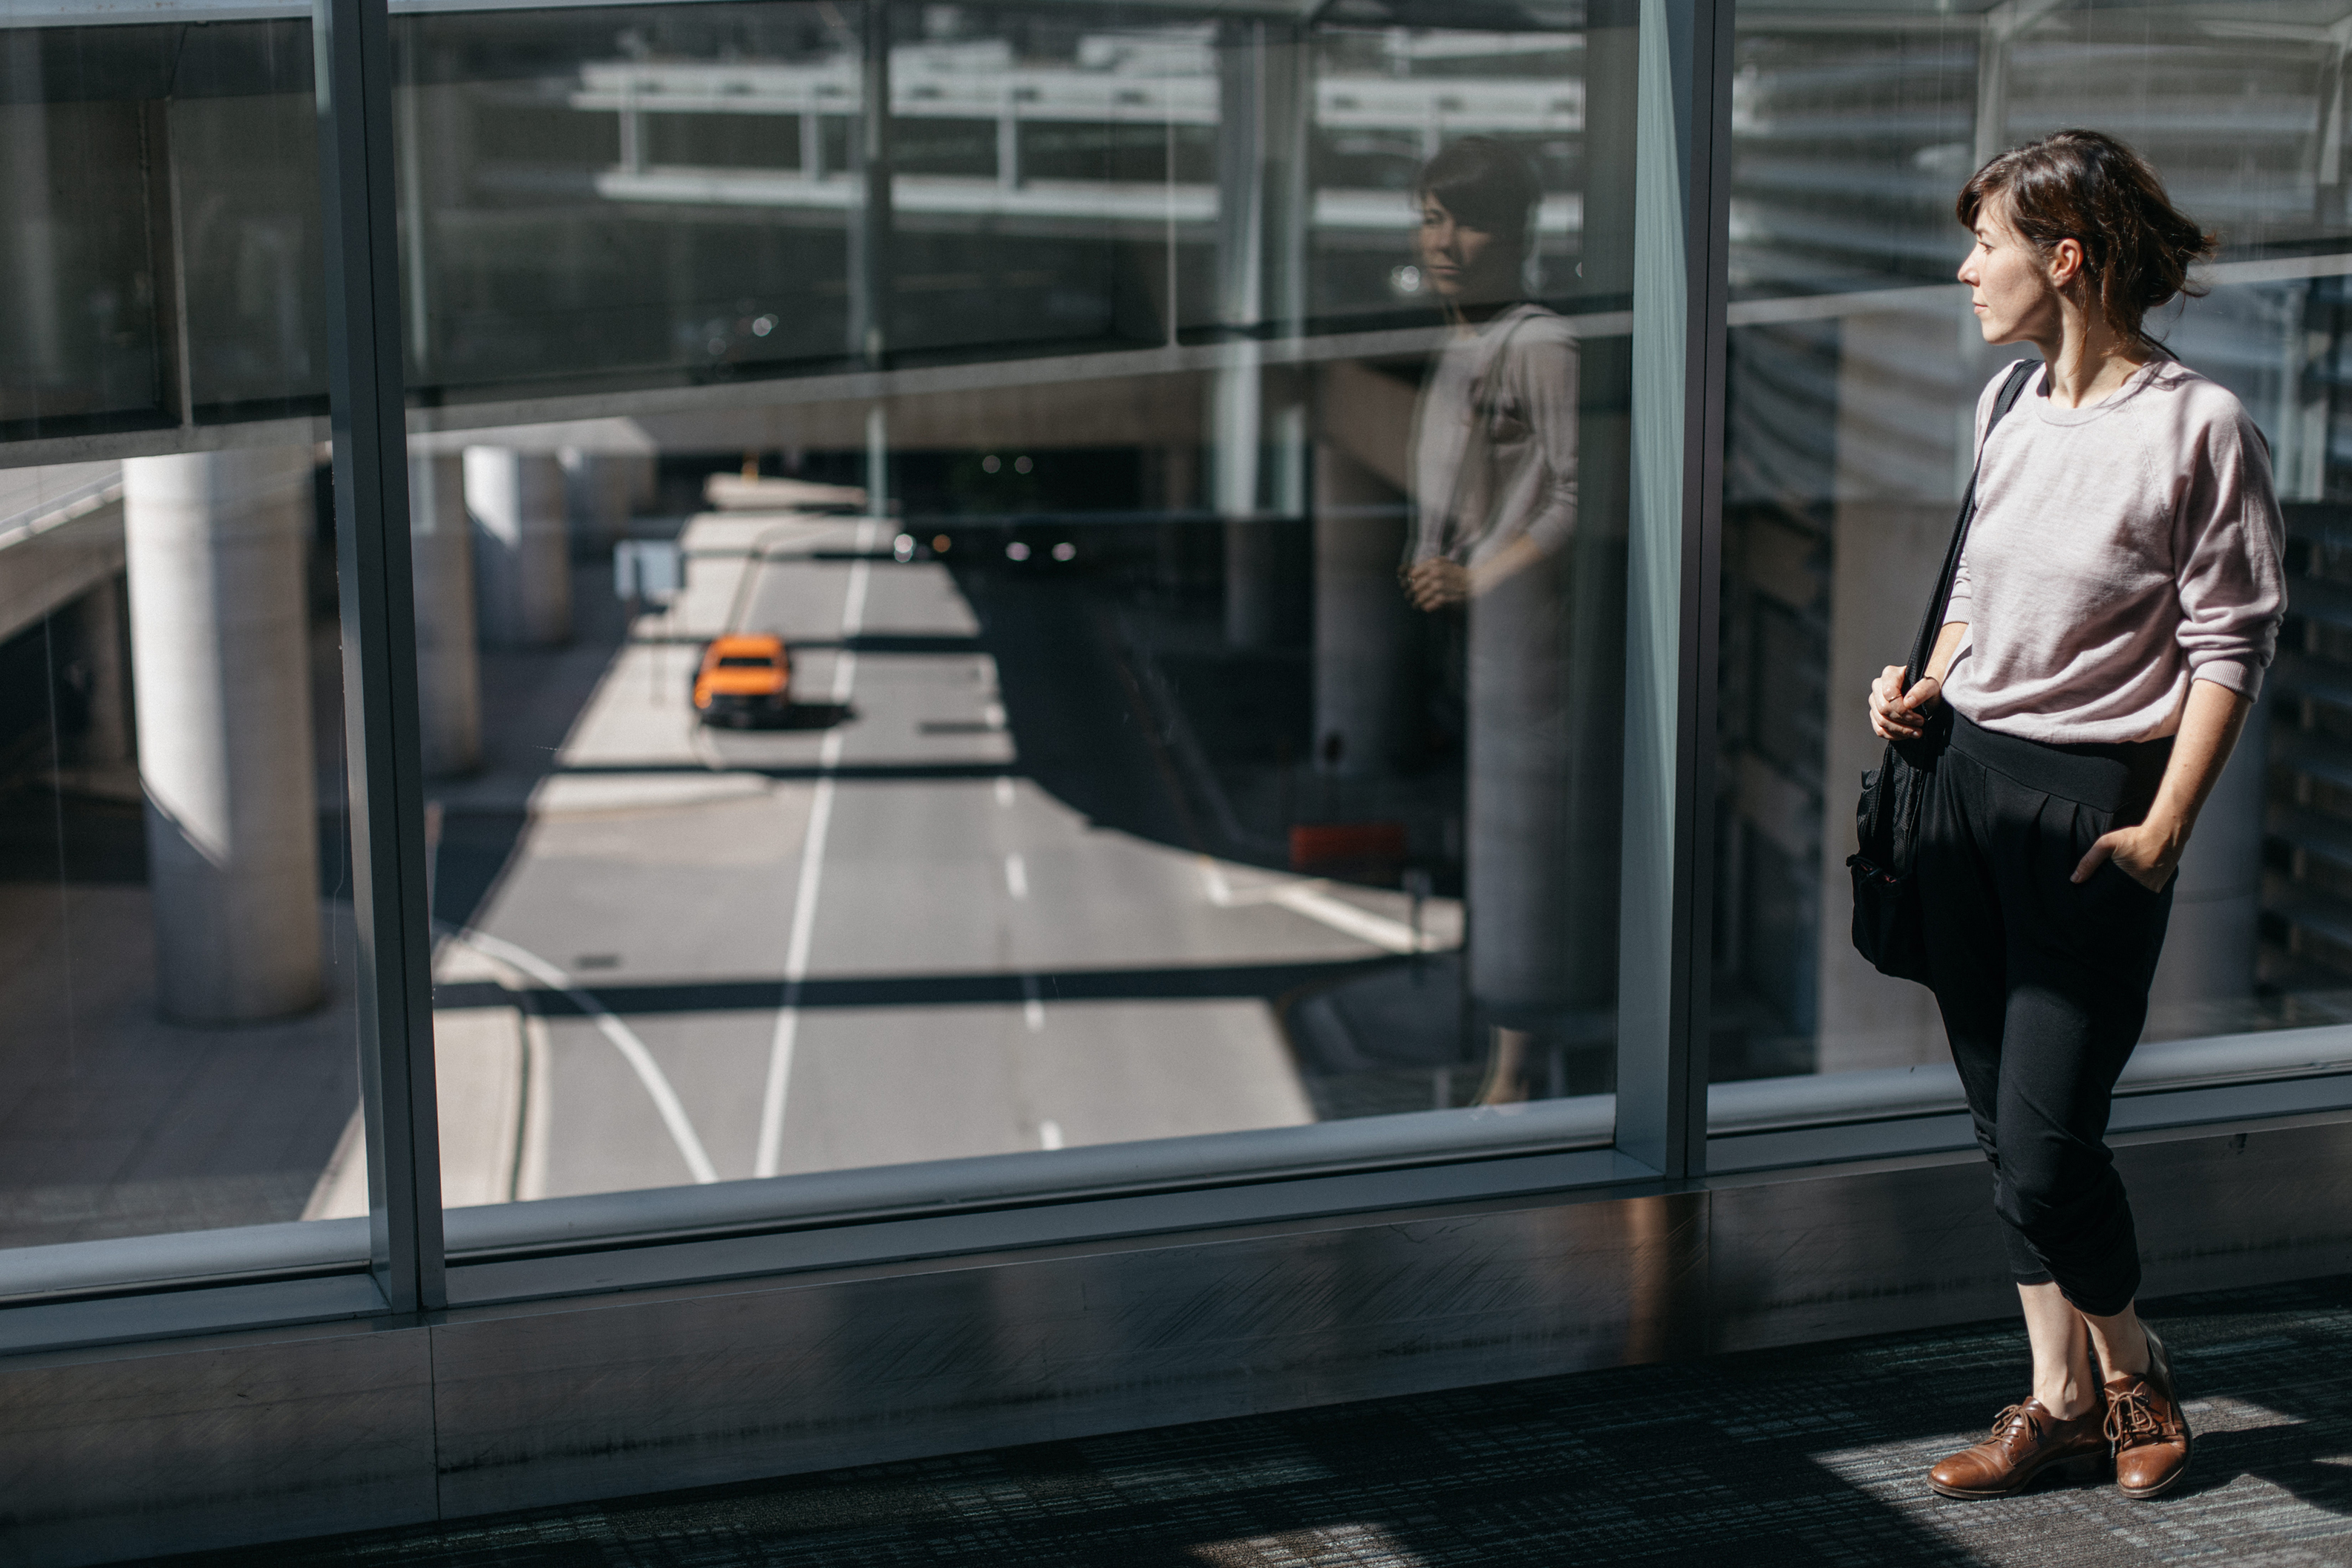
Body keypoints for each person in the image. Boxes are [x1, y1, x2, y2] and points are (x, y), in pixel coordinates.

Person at [1868, 130, 2285, 1502]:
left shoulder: (2196, 428)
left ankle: (2135, 1362)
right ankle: (2058, 1399)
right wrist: (1920, 684)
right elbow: (1983, 588)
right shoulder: (2003, 405)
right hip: (1967, 783)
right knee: (2004, 1132)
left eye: (1985, 241)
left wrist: (2167, 829)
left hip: (2095, 810)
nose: (1965, 268)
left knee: (2050, 1149)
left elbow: (2230, 644)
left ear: (2065, 259)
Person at [1399, 138, 1584, 1104]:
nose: (1444, 241)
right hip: (1477, 630)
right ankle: (1506, 1060)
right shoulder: (1460, 337)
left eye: (1466, 220)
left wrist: (1483, 579)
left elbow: (1574, 498)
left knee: (1522, 836)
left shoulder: (1538, 343)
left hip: (1528, 636)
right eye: (1431, 217)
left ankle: (1516, 1073)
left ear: (1515, 235)